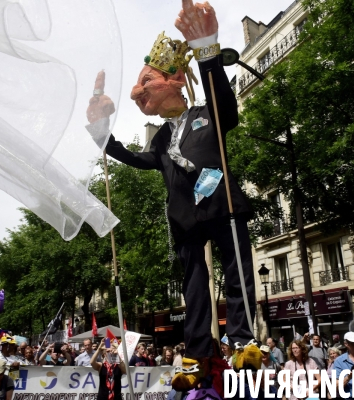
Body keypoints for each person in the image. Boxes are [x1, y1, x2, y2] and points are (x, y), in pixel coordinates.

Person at [86, 0, 256, 377]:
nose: (135, 92)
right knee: (193, 288)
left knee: (236, 272)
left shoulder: (205, 115)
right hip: (184, 220)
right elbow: (136, 159)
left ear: (176, 79)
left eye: (146, 81)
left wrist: (207, 49)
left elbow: (224, 104)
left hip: (222, 206)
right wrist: (101, 129)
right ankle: (195, 354)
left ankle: (243, 340)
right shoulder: (160, 139)